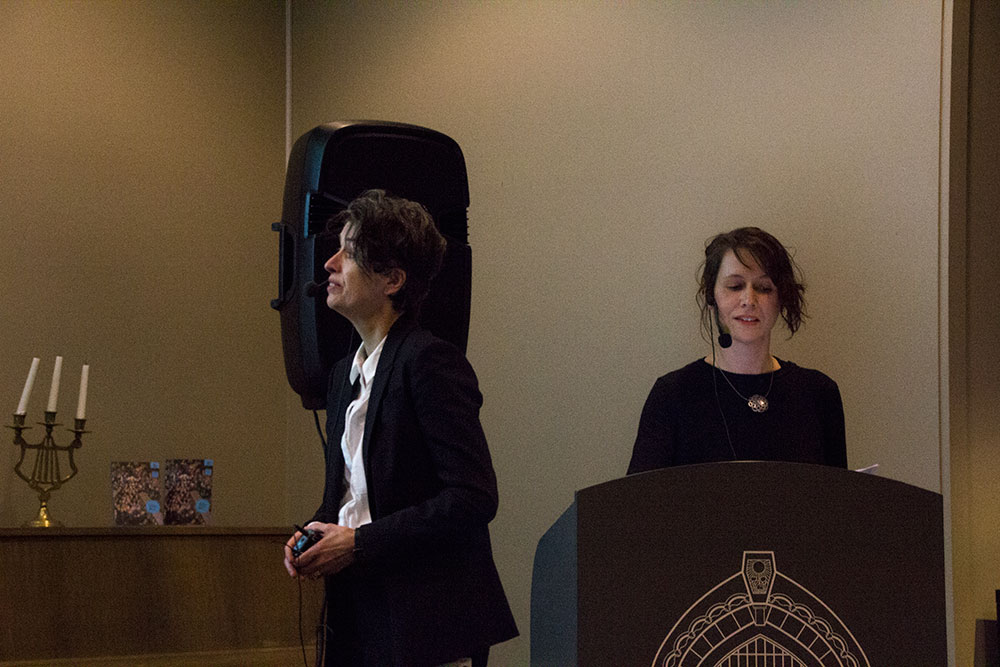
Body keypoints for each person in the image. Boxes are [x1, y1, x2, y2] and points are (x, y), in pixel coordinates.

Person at [284, 190, 517, 667]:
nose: (329, 263)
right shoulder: (342, 375)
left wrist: (357, 543)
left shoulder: (430, 361)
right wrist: (315, 533)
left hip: (428, 621)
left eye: (349, 253)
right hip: (358, 614)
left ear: (392, 280)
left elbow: (473, 498)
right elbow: (354, 496)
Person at [627, 227, 847, 474]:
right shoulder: (672, 394)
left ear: (781, 298)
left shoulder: (819, 393)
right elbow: (640, 497)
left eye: (764, 288)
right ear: (712, 298)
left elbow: (836, 495)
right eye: (735, 286)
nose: (749, 300)